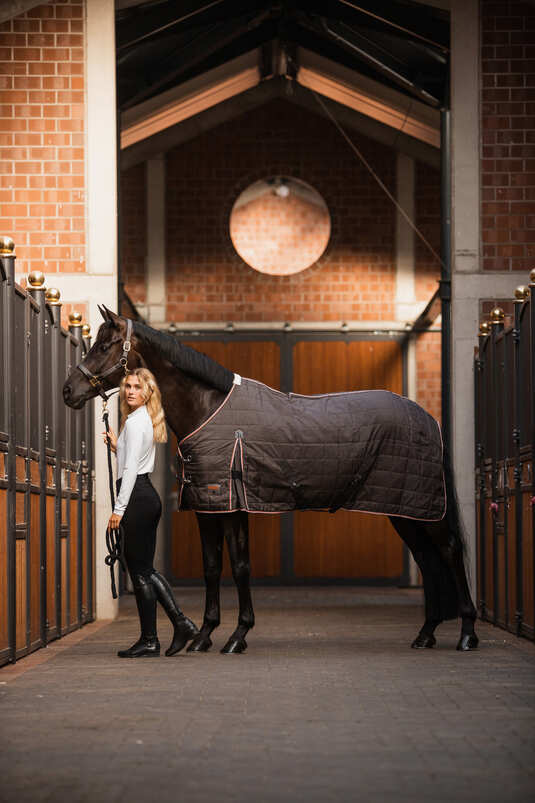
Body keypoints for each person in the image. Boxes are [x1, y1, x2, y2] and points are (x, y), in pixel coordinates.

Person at [104, 367, 198, 658]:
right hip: (144, 497)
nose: (131, 391)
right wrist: (118, 447)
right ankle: (179, 625)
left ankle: (151, 639)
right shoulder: (141, 419)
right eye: (128, 386)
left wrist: (118, 509)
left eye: (137, 387)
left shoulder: (135, 422)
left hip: (137, 499)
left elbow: (132, 469)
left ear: (147, 392)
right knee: (145, 570)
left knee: (140, 572)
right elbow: (134, 461)